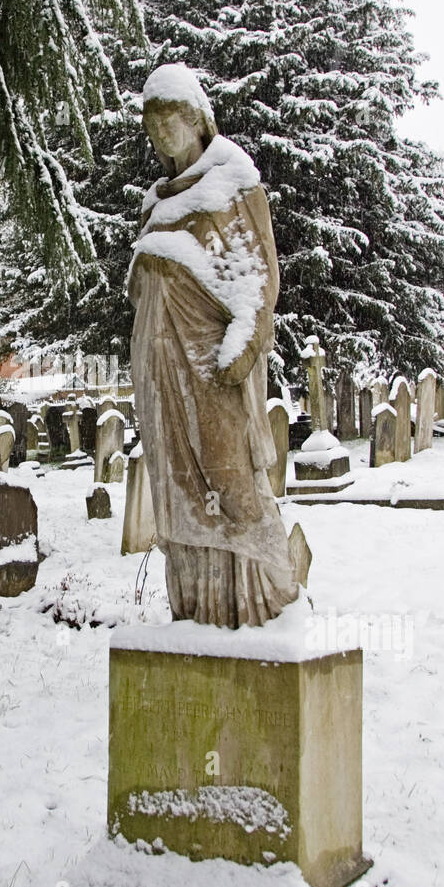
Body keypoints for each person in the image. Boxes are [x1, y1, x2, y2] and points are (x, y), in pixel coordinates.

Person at [128, 64, 298, 627]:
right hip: (160, 364)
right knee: (176, 483)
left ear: (196, 119)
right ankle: (196, 605)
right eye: (152, 128)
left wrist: (245, 341)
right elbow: (139, 280)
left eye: (169, 123)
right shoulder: (154, 201)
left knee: (231, 481)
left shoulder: (233, 178)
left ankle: (259, 597)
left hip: (212, 361)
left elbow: (258, 274)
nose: (161, 137)